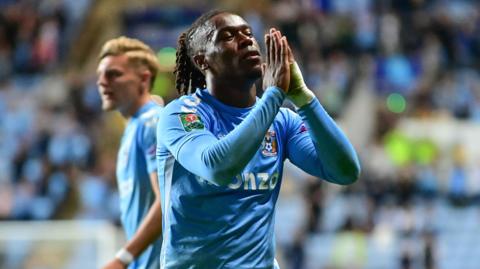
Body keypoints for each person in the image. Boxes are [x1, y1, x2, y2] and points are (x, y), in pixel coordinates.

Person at [156, 10, 361, 268]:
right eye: (227, 36)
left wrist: (303, 98)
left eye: (248, 33)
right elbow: (216, 167)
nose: (246, 40)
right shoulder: (182, 114)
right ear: (202, 61)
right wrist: (274, 95)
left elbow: (346, 171)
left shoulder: (281, 121)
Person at [96, 36, 163, 269]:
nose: (102, 82)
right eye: (100, 75)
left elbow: (167, 201)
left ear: (143, 79)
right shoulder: (135, 127)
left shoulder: (151, 124)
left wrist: (123, 258)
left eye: (113, 74)